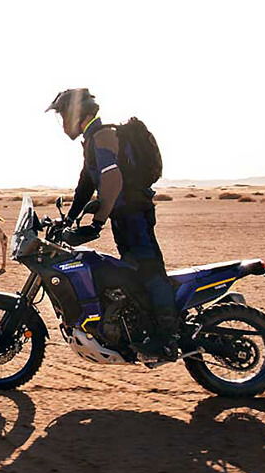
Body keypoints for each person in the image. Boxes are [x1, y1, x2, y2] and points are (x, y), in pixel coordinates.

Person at [46, 88, 177, 361]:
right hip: (125, 217)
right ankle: (141, 328)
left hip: (134, 216)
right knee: (134, 272)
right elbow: (86, 185)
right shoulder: (92, 139)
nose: (62, 124)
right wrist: (68, 219)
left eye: (63, 116)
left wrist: (96, 223)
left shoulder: (103, 135)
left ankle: (168, 337)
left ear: (77, 114)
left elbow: (112, 180)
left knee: (150, 270)